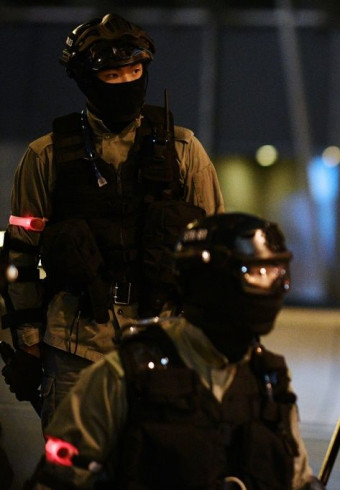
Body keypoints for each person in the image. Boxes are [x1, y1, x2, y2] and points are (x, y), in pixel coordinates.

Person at [1, 13, 225, 429]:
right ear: (87, 80)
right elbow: (20, 257)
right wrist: (27, 346)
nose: (126, 82)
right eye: (113, 74)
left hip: (167, 342)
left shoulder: (184, 151)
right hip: (75, 348)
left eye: (135, 71)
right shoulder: (44, 157)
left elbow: (216, 252)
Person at [26, 212, 323, 489]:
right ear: (209, 281)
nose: (270, 286)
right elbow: (56, 480)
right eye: (255, 272)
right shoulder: (126, 375)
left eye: (277, 273)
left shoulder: (267, 379)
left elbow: (297, 478)